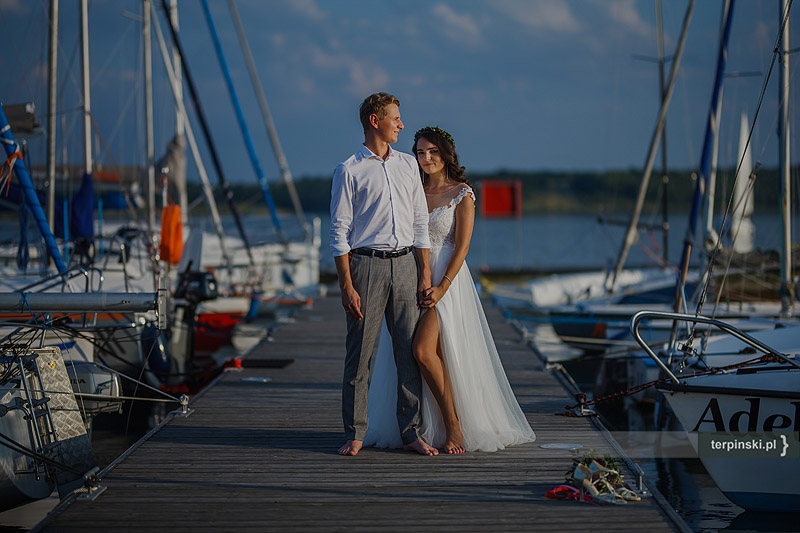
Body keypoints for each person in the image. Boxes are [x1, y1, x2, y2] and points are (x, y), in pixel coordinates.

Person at [364, 126, 535, 453]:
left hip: (447, 282)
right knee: (424, 354)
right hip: (410, 276)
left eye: (432, 151)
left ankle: (454, 424)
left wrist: (442, 286)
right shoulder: (412, 189)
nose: (425, 158)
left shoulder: (463, 193)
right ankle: (424, 425)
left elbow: (462, 248)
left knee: (423, 351)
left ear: (445, 154)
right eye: (419, 152)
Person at [330, 93, 438, 457]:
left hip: (406, 264)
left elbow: (420, 223)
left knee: (408, 353)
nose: (402, 124)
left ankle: (411, 433)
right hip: (365, 265)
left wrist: (424, 274)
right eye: (396, 118)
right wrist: (346, 283)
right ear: (375, 121)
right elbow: (338, 231)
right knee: (360, 354)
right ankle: (355, 432)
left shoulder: (409, 165)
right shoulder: (349, 169)